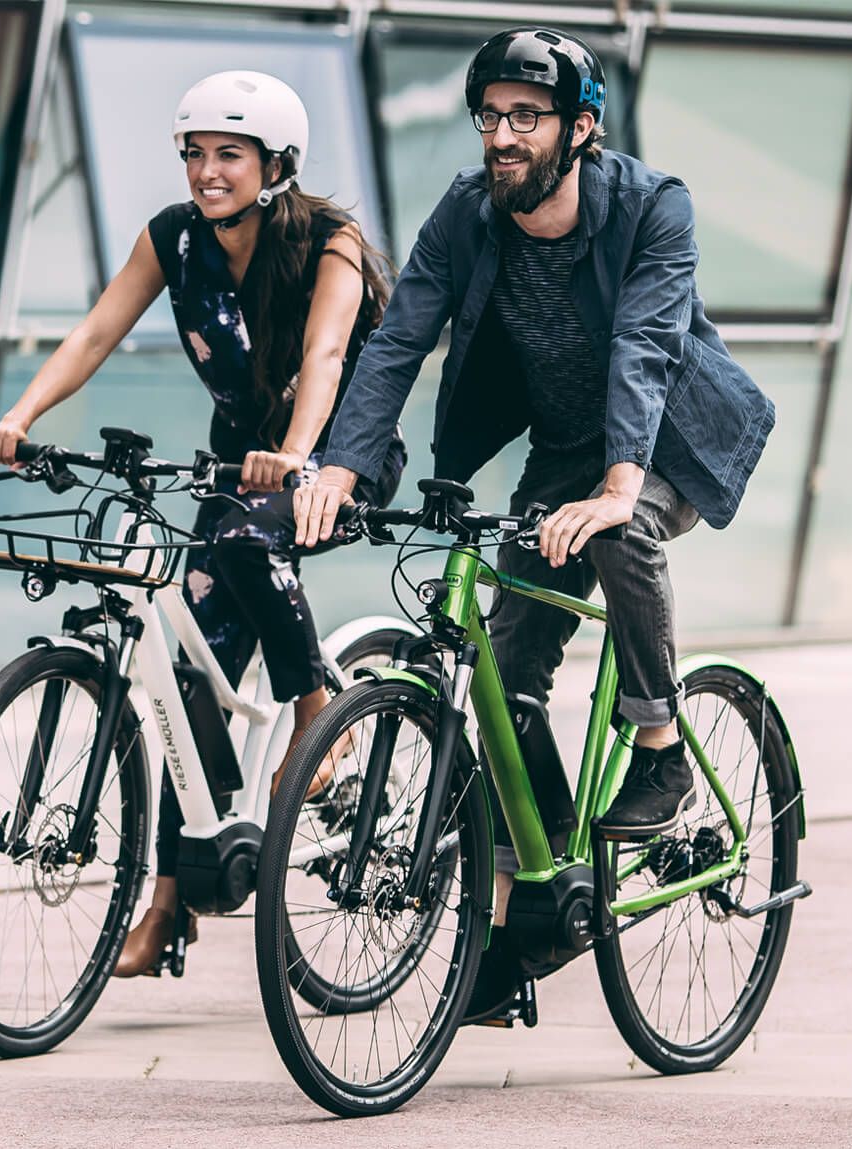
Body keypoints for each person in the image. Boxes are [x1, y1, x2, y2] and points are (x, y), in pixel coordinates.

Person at [292, 27, 775, 929]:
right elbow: (398, 342)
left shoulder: (652, 208)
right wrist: (343, 465)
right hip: (562, 448)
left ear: (581, 128)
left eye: (528, 116)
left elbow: (644, 348)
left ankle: (661, 744)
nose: (503, 136)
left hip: (666, 439)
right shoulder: (467, 213)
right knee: (506, 667)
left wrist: (619, 487)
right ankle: (542, 882)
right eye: (490, 115)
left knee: (620, 530)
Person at [0, 70, 407, 978]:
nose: (208, 172)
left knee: (249, 541)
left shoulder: (328, 243)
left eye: (230, 155)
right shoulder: (173, 239)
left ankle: (317, 716)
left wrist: (298, 455)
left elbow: (328, 353)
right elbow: (95, 334)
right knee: (186, 678)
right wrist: (20, 416)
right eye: (196, 153)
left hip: (336, 461)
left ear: (276, 165)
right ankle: (170, 905)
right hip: (236, 464)